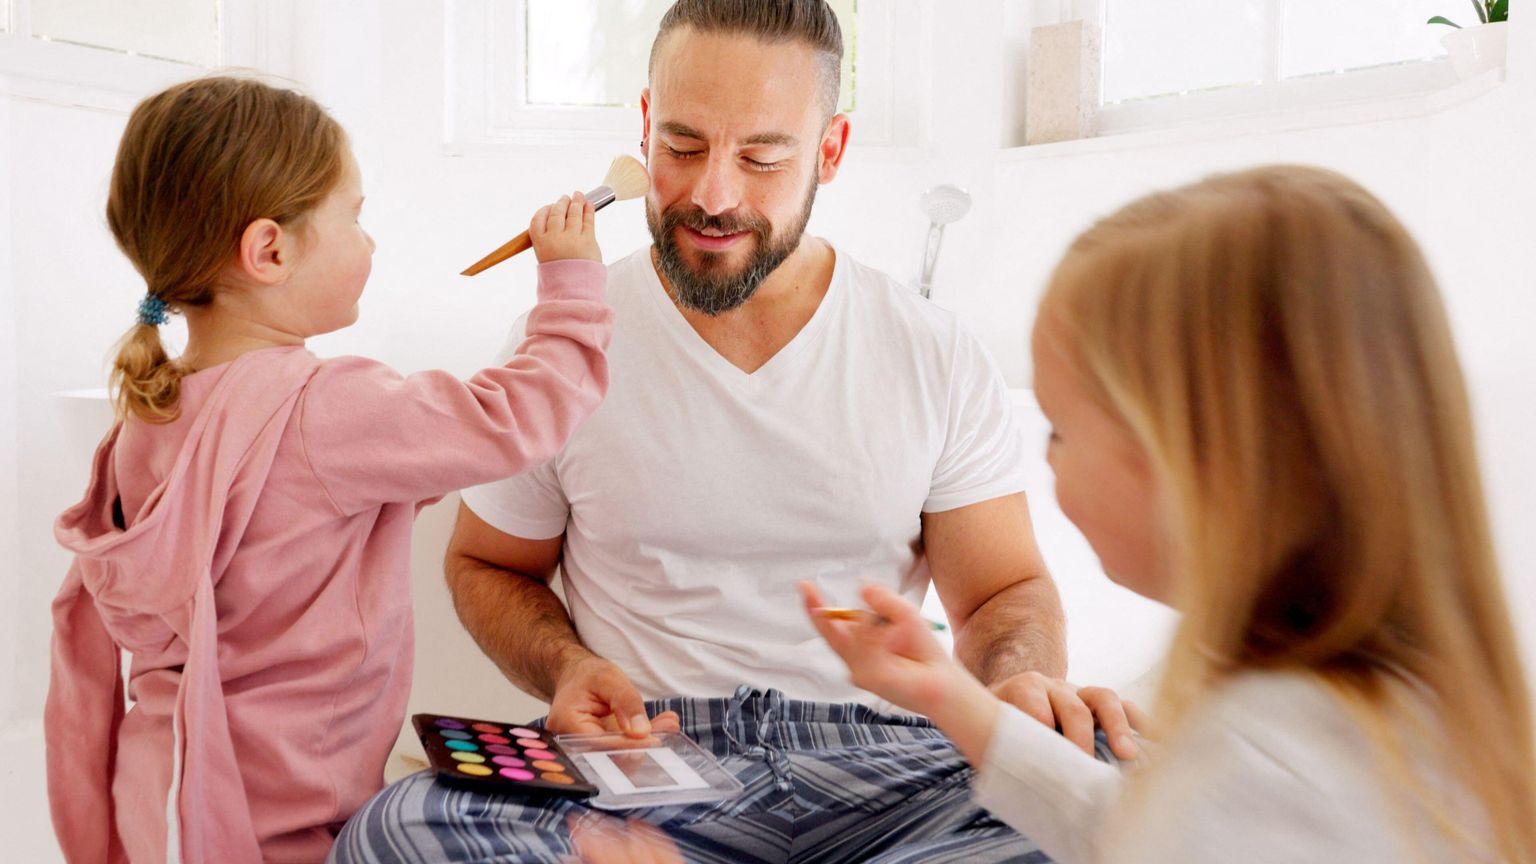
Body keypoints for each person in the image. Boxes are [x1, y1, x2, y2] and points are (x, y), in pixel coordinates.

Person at [332, 2, 1135, 863]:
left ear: (829, 149)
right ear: (643, 129)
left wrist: (1018, 682)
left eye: (761, 156)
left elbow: (1002, 591)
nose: (714, 196)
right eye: (682, 148)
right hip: (643, 759)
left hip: (891, 766)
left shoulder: (929, 350)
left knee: (1111, 807)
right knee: (394, 833)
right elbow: (487, 562)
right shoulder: (561, 349)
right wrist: (566, 667)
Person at [803, 165, 1536, 863]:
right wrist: (956, 702)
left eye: (1060, 428)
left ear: (1192, 465)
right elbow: (1137, 837)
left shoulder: (1255, 763)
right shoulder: (1381, 710)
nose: (1046, 458)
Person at [47, 75, 614, 863]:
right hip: (279, 808)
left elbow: (288, 525)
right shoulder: (327, 406)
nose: (370, 242)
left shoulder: (152, 411)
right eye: (355, 215)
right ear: (269, 249)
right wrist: (572, 283)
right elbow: (518, 419)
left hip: (170, 779)